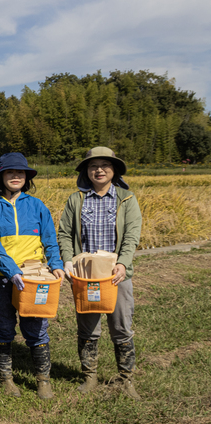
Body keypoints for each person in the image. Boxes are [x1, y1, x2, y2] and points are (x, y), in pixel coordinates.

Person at [57, 147, 143, 399]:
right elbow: (64, 233)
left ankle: (126, 380)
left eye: (105, 164)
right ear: (86, 170)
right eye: (93, 165)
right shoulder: (77, 199)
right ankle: (90, 377)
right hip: (85, 276)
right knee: (87, 329)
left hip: (116, 275)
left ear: (114, 170)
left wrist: (123, 263)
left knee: (121, 327)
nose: (99, 170)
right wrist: (68, 260)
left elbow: (131, 236)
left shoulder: (126, 199)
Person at [0, 153, 64, 400]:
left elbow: (50, 240)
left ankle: (43, 380)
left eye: (20, 173)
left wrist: (56, 265)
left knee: (36, 326)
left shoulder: (38, 206)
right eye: (10, 173)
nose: (15, 176)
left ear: (27, 177)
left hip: (34, 278)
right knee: (2, 326)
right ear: (1, 177)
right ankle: (6, 378)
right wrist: (12, 270)